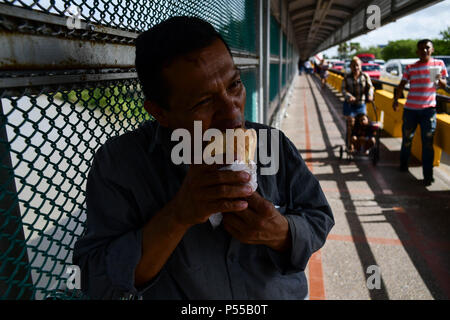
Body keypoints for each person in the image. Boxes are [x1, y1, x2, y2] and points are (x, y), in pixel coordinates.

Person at [73, 16, 334, 300]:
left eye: (234, 85)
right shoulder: (120, 164)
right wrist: (178, 215)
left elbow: (318, 216)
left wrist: (280, 232)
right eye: (203, 102)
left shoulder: (272, 145)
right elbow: (95, 278)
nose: (233, 114)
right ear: (160, 112)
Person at [393, 39, 447, 186]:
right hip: (411, 110)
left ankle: (428, 176)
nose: (424, 51)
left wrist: (441, 82)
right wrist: (395, 100)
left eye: (427, 48)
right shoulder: (411, 67)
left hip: (428, 111)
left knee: (428, 144)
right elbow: (402, 84)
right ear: (417, 51)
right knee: (407, 139)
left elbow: (443, 84)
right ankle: (404, 164)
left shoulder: (439, 65)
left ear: (432, 50)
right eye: (421, 48)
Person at [341, 56, 374, 152]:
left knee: (363, 123)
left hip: (361, 104)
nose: (356, 67)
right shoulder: (347, 77)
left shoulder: (365, 76)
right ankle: (350, 145)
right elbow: (343, 89)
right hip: (350, 105)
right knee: (350, 123)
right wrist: (348, 96)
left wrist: (370, 95)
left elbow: (370, 87)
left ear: (360, 66)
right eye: (354, 65)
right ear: (350, 67)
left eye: (357, 65)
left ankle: (362, 144)